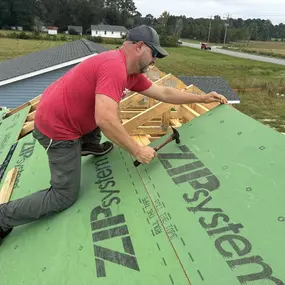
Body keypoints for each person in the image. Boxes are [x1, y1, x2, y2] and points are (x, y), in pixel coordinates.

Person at [0, 25, 227, 245]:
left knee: (108, 105)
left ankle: (87, 143)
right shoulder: (114, 67)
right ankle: (3, 217)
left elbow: (164, 92)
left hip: (65, 114)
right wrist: (138, 150)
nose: (155, 60)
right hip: (57, 131)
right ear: (139, 47)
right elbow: (105, 120)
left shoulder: (129, 72)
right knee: (63, 196)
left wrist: (203, 98)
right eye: (154, 53)